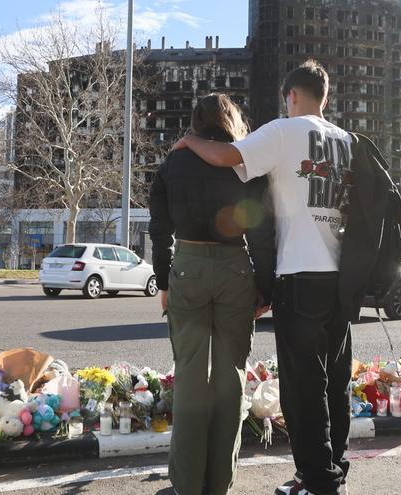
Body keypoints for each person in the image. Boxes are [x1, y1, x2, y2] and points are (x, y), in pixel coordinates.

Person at [172, 60, 353, 495]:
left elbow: (225, 155)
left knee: (302, 390)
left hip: (299, 277)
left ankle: (319, 485)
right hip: (341, 281)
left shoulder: (283, 131)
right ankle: (330, 471)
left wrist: (188, 139)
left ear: (291, 96)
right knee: (335, 385)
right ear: (324, 97)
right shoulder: (347, 142)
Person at [149, 94, 275, 495]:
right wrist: (265, 286)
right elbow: (259, 228)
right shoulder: (243, 161)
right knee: (230, 378)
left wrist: (164, 281)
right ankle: (220, 482)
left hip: (187, 264)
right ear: (231, 120)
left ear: (195, 122)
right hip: (236, 268)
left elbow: (159, 228)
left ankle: (187, 484)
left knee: (189, 376)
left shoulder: (175, 162)